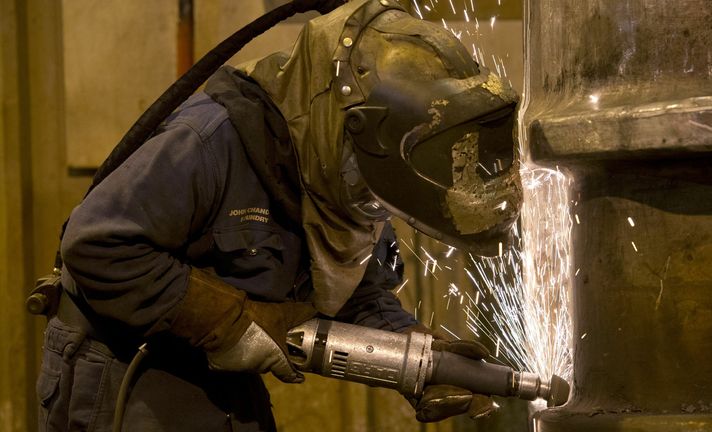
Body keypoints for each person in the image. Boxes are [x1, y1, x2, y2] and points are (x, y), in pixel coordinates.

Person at [36, 0, 521, 430]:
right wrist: (232, 320)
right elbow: (95, 244)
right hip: (122, 373)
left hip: (223, 379)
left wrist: (416, 356)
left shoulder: (355, 174)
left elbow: (357, 293)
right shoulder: (210, 143)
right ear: (351, 126)